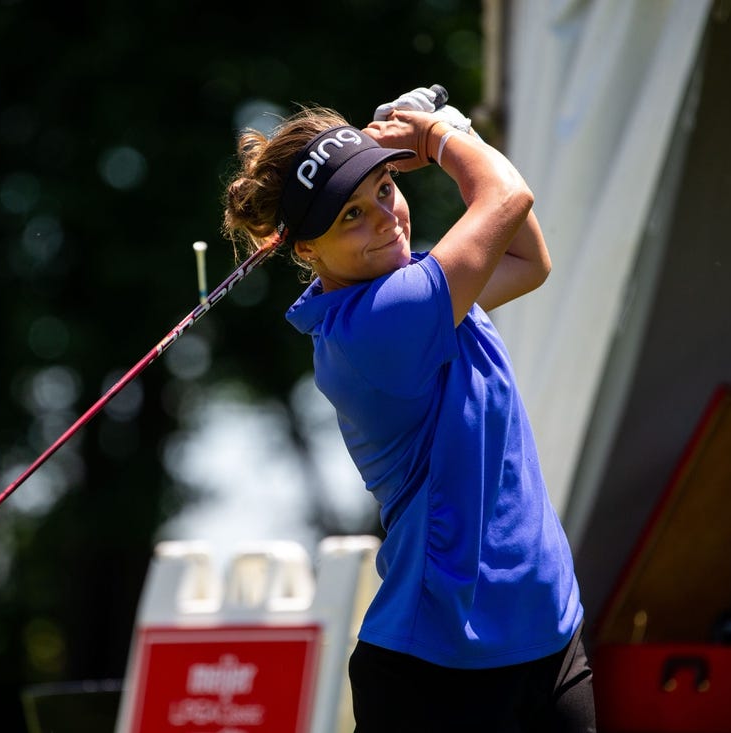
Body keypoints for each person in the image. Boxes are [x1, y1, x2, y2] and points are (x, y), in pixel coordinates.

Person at [220, 87, 596, 732]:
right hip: (440, 670)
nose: (385, 219)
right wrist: (436, 138)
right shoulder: (378, 326)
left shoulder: (419, 286)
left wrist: (449, 132)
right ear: (305, 251)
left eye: (385, 191)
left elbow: (527, 259)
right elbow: (506, 199)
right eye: (350, 218)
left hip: (548, 635)